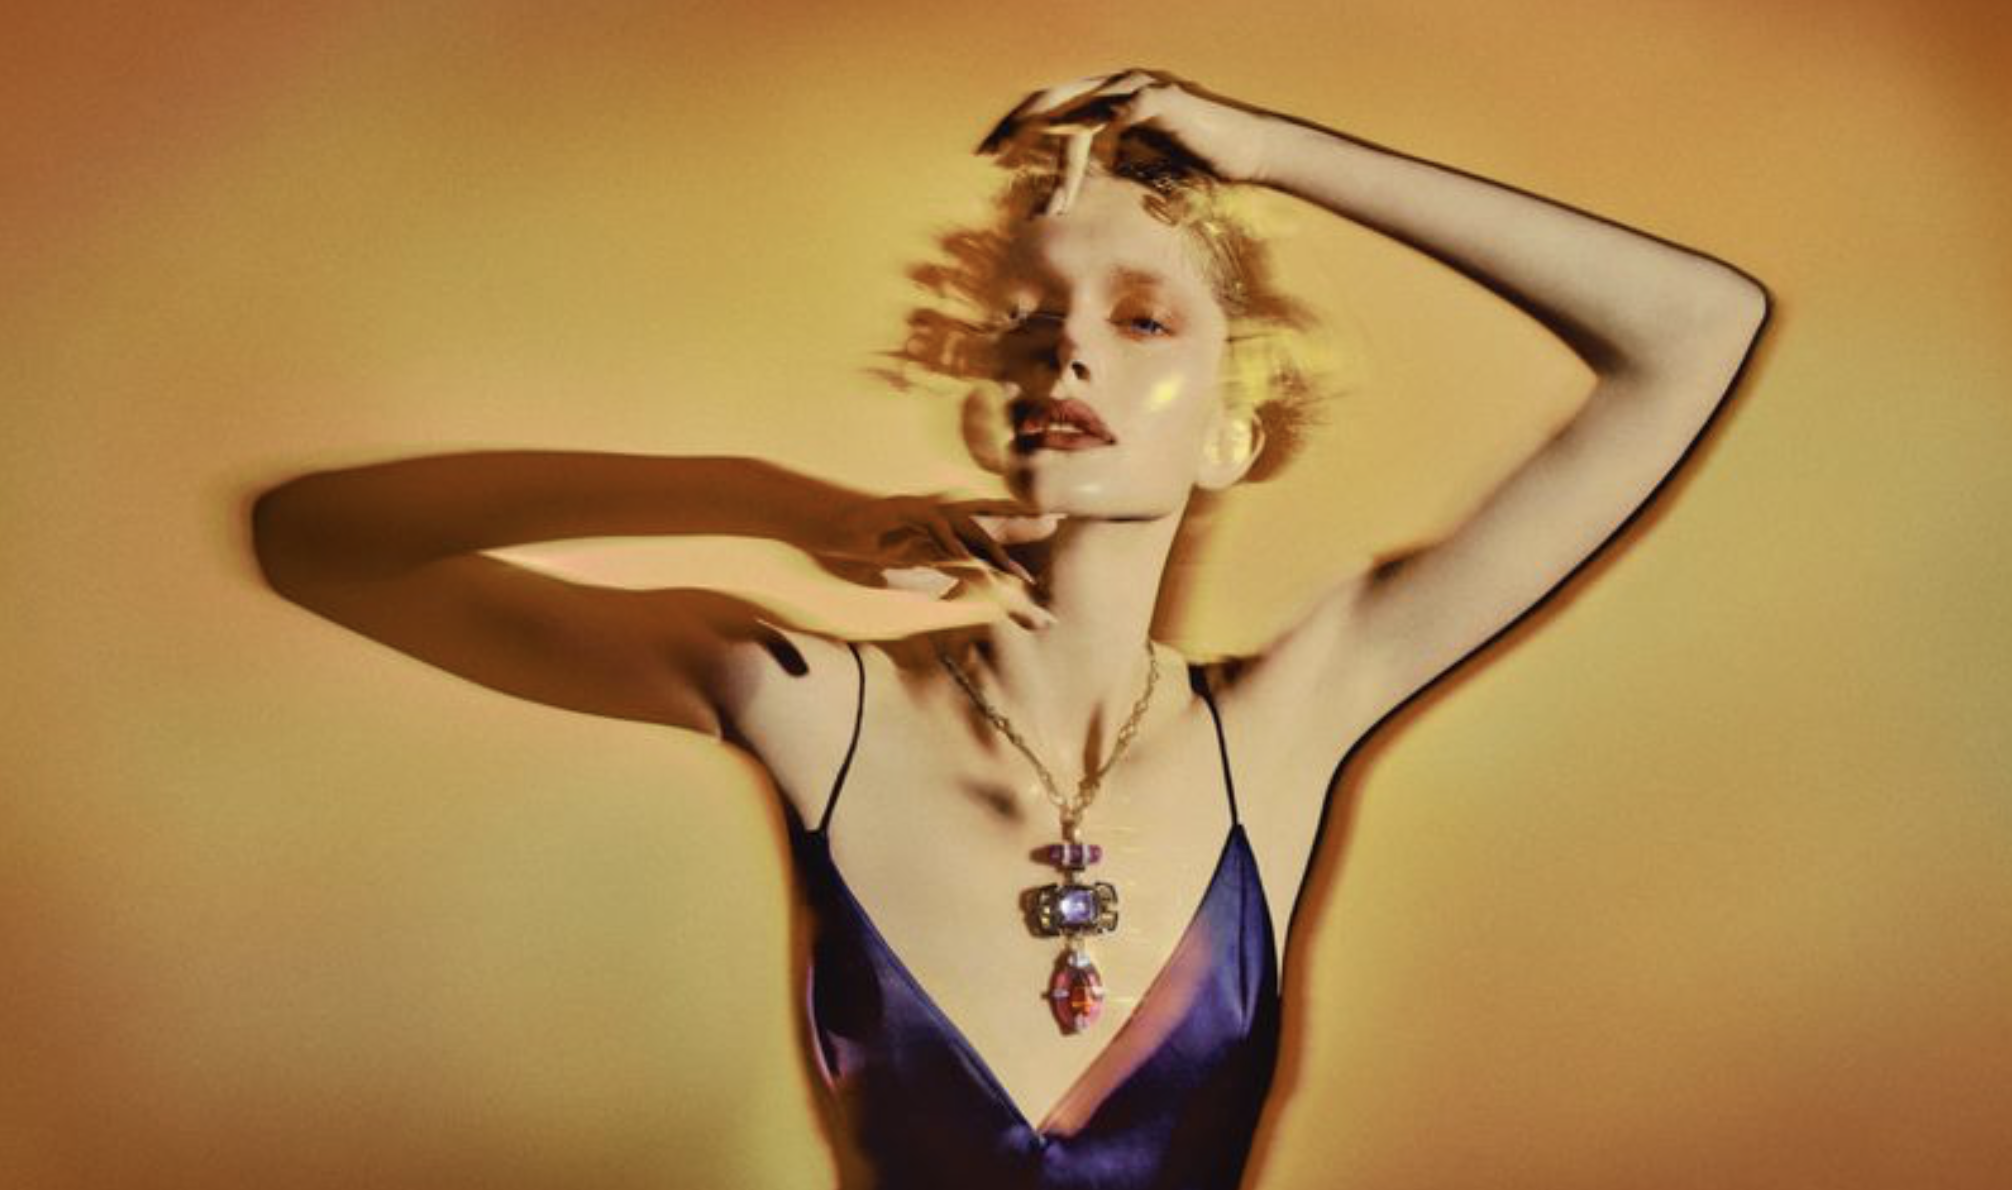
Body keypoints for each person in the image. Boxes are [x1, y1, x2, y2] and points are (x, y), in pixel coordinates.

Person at [251, 70, 1767, 1190]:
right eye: (1031, 320)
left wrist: (1272, 154)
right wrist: (776, 505)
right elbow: (312, 541)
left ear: (1234, 431)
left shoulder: (1284, 726)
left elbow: (1696, 328)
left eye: (1143, 318)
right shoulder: (812, 702)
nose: (1067, 352)